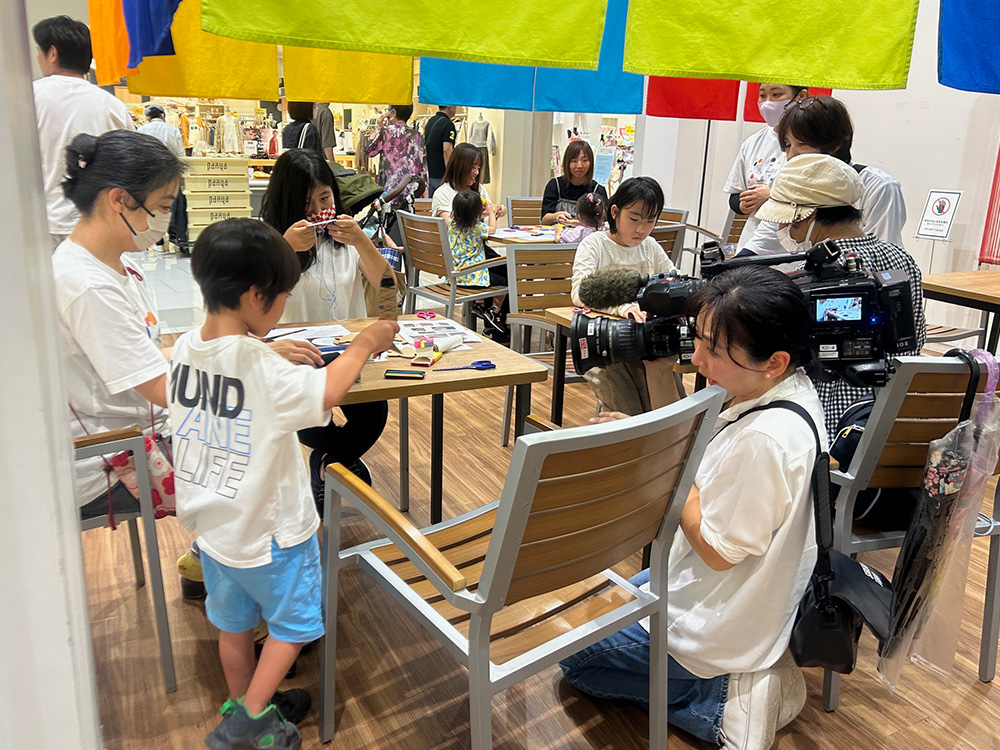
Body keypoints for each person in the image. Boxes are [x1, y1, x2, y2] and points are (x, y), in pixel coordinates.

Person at [560, 265, 823, 750]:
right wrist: (655, 388)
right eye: (697, 338)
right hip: (711, 588)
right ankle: (745, 670)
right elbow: (697, 436)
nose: (697, 356)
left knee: (574, 657)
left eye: (715, 350)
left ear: (775, 360)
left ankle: (721, 701)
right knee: (600, 598)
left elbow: (720, 552)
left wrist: (670, 472)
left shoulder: (766, 438)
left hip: (715, 618)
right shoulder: (781, 393)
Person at [172, 217, 398, 750]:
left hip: (216, 533)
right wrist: (364, 343)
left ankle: (247, 702)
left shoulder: (184, 347)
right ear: (256, 297)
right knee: (295, 626)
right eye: (282, 298)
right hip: (272, 532)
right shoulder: (258, 361)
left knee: (232, 625)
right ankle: (248, 721)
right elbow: (326, 393)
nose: (281, 310)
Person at [754, 152, 926, 439]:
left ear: (806, 216)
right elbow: (914, 345)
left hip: (827, 430)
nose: (784, 232)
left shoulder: (809, 278)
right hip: (894, 423)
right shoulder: (904, 262)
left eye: (785, 223)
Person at [259, 148, 392, 497]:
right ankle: (337, 461)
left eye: (325, 198)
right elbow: (252, 307)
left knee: (373, 414)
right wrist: (284, 249)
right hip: (296, 359)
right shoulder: (267, 241)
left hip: (349, 356)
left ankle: (328, 462)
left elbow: (390, 289)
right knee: (309, 424)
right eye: (308, 203)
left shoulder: (346, 240)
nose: (319, 211)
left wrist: (362, 240)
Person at [742, 95, 907, 256]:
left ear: (836, 144)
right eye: (787, 145)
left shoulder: (879, 186)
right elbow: (762, 241)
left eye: (802, 144)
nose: (792, 155)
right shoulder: (793, 183)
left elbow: (883, 255)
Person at [570, 176, 676, 415]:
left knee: (668, 410)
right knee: (628, 415)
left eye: (650, 221)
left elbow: (673, 278)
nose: (641, 229)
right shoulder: (595, 244)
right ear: (615, 212)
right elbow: (579, 292)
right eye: (634, 219)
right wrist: (620, 307)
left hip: (647, 343)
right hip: (604, 345)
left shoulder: (651, 246)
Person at [32, 15, 134, 247]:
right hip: (100, 224)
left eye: (39, 50)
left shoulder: (29, 97)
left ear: (53, 53)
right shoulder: (113, 106)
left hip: (46, 222)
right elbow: (131, 164)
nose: (38, 57)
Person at [431, 143, 509, 340]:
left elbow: (487, 209)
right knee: (506, 275)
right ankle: (493, 319)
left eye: (478, 167)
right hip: (461, 258)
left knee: (509, 269)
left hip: (476, 250)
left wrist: (497, 209)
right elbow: (452, 226)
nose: (476, 172)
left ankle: (491, 316)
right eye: (472, 167)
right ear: (460, 166)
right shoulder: (444, 193)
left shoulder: (479, 190)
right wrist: (484, 215)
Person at [723, 84, 809, 250]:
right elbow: (735, 195)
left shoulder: (813, 144)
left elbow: (817, 197)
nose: (768, 103)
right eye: (762, 96)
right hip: (753, 240)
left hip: (793, 245)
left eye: (776, 95)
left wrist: (772, 195)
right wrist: (745, 203)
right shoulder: (753, 143)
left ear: (800, 96)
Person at [449, 190, 507, 336]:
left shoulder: (452, 225)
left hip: (457, 275)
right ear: (476, 215)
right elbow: (492, 230)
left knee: (492, 271)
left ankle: (480, 304)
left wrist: (481, 211)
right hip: (473, 276)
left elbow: (466, 213)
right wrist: (491, 213)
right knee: (506, 281)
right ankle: (493, 310)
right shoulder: (477, 228)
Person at [138, 104, 186, 249]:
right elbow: (180, 154)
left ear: (147, 117)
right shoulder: (172, 130)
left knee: (149, 205)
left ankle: (153, 238)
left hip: (149, 174)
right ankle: (177, 235)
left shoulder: (141, 130)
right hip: (169, 171)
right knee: (175, 204)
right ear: (162, 115)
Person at [366, 104, 428, 209]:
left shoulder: (386, 132)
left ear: (394, 113)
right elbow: (423, 168)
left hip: (390, 194)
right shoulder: (417, 135)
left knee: (389, 223)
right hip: (411, 193)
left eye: (388, 111)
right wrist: (424, 196)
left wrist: (379, 128)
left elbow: (370, 152)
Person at [541, 141, 610, 225]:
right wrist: (557, 215)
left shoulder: (598, 190)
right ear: (567, 163)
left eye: (584, 160)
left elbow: (604, 223)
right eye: (574, 161)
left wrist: (581, 224)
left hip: (587, 237)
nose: (579, 165)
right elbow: (544, 219)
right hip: (557, 235)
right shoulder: (555, 185)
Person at [424, 105, 457, 196]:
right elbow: (447, 149)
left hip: (430, 172)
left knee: (431, 205)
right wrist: (450, 172)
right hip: (441, 174)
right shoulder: (448, 124)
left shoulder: (430, 121)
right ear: (449, 107)